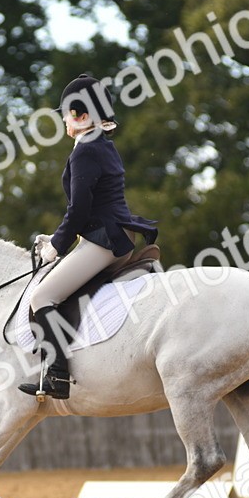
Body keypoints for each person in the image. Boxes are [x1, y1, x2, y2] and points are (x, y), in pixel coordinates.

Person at [18, 73, 159, 400]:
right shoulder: (101, 145)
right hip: (112, 235)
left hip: (103, 241)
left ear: (82, 116)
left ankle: (57, 376)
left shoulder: (85, 151)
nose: (65, 122)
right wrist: (58, 236)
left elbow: (79, 210)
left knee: (40, 298)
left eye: (67, 115)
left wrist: (57, 245)